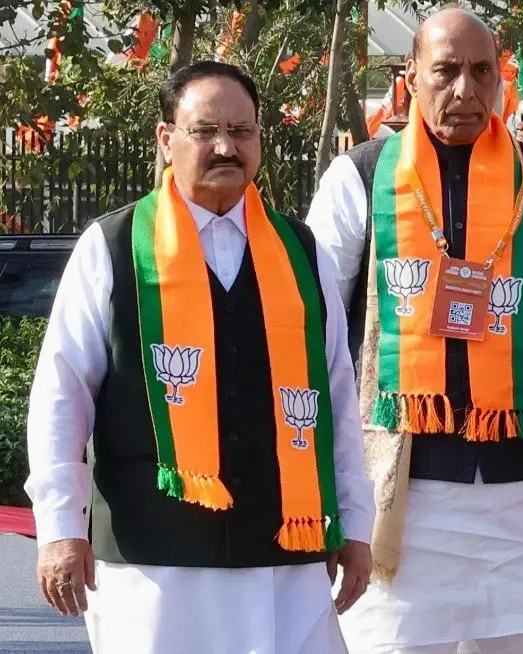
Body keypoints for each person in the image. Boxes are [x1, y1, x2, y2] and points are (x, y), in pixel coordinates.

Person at [25, 60, 374, 653]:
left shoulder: (301, 252)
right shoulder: (112, 247)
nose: (225, 147)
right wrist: (59, 530)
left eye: (242, 132)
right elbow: (61, 396)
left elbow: (337, 397)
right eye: (205, 130)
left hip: (283, 554)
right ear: (166, 139)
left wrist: (355, 522)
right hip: (153, 560)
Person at [305, 8, 523, 654]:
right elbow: (314, 329)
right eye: (445, 71)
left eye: (482, 72)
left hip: (521, 495)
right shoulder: (359, 177)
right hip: (399, 494)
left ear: (500, 79)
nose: (465, 91)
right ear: (411, 77)